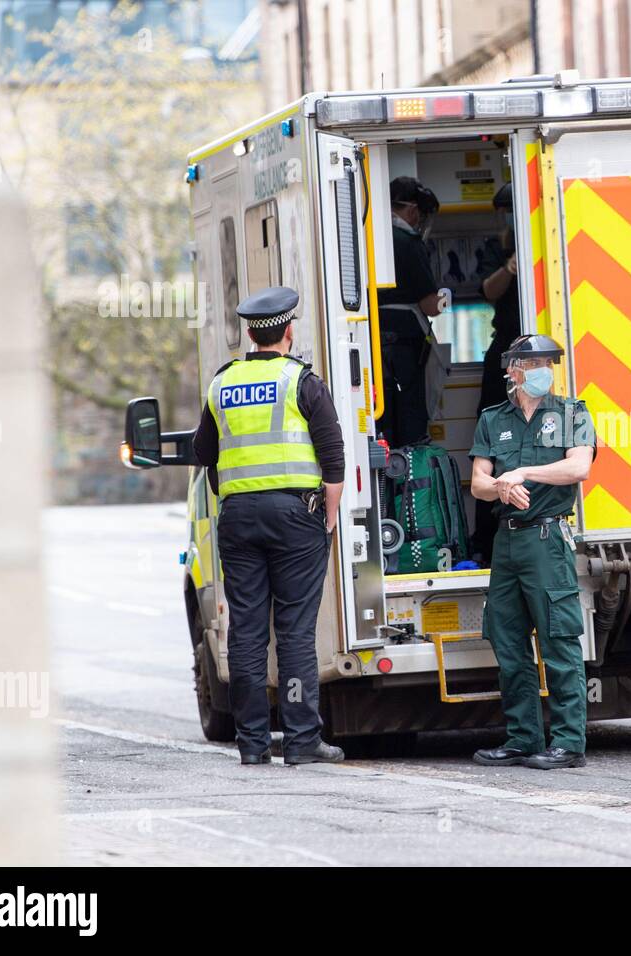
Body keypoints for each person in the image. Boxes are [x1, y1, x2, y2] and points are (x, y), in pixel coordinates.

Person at [193, 286, 347, 766]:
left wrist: (231, 492)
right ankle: (301, 742)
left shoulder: (222, 382)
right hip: (296, 517)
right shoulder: (300, 380)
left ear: (249, 334)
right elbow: (333, 451)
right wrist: (331, 513)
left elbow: (203, 453)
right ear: (288, 331)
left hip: (238, 518)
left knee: (246, 632)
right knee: (296, 631)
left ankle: (252, 744)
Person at [468, 334, 595, 770]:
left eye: (548, 361)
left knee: (558, 641)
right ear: (514, 370)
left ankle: (568, 743)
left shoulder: (572, 413)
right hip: (508, 542)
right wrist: (501, 485)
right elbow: (478, 483)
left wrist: (522, 470)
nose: (544, 369)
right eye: (534, 362)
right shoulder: (493, 419)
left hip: (547, 540)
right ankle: (523, 738)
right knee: (508, 641)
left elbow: (579, 466)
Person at [469, 183, 521, 566]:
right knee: (490, 440)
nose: (508, 218)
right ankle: (486, 544)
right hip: (502, 354)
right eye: (503, 211)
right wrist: (510, 267)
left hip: (536, 355)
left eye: (510, 209)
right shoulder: (495, 248)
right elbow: (488, 290)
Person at [377, 175, 442, 448]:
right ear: (413, 210)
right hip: (405, 341)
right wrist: (443, 301)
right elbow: (430, 305)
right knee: (411, 413)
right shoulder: (409, 241)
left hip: (374, 336)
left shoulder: (368, 234)